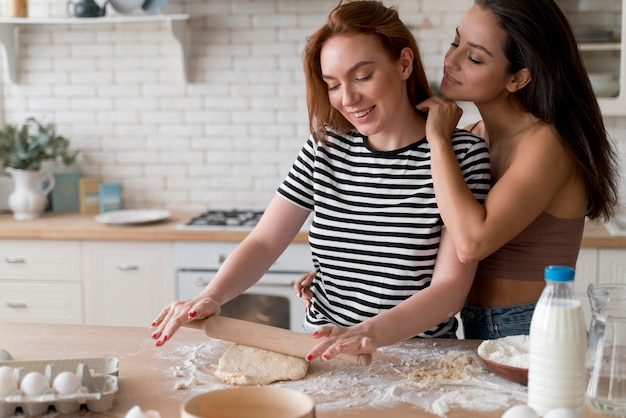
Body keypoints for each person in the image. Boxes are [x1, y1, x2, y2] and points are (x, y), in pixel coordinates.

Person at [151, 0, 491, 360]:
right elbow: (265, 241)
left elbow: (450, 288)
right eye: (333, 84)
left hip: (417, 359)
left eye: (363, 76)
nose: (348, 98)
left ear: (404, 63)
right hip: (321, 351)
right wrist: (213, 295)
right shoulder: (325, 147)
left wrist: (367, 333)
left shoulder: (462, 154)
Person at [413, 0, 620, 339]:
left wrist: (436, 139)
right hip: (476, 327)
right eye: (455, 42)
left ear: (518, 78)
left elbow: (471, 243)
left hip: (533, 330)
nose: (450, 60)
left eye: (474, 57)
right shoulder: (471, 138)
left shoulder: (547, 143)